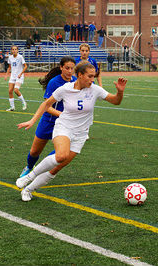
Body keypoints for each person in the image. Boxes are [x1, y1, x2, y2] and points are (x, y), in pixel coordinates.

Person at [16, 61, 127, 201]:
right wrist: (32, 121)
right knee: (61, 156)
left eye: (94, 76)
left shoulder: (95, 89)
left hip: (81, 134)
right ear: (80, 75)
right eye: (90, 76)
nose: (92, 80)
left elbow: (116, 101)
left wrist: (120, 92)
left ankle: (28, 190)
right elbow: (46, 104)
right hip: (64, 127)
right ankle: (29, 177)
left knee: (56, 168)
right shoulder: (65, 89)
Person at [19, 56, 77, 178]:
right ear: (61, 67)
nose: (70, 71)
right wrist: (62, 115)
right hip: (49, 121)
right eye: (67, 68)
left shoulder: (76, 82)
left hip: (65, 125)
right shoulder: (54, 82)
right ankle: (29, 167)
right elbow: (47, 107)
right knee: (34, 152)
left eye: (72, 68)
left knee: (62, 152)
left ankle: (43, 168)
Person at [4, 45, 27, 111]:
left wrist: (21, 73)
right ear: (11, 50)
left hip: (19, 76)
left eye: (15, 49)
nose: (14, 51)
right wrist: (6, 75)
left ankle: (24, 103)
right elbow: (9, 67)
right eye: (13, 49)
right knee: (10, 91)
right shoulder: (10, 57)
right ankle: (12, 107)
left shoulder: (20, 57)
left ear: (17, 50)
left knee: (16, 90)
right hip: (12, 76)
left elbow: (25, 66)